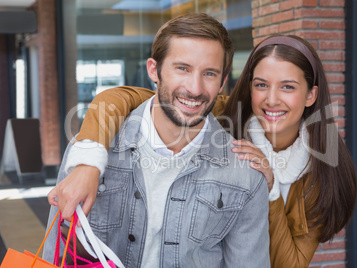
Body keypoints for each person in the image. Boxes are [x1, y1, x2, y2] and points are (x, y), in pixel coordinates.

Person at [49, 34, 357, 266]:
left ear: (310, 95)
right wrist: (88, 162)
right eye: (261, 85)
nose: (271, 100)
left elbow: (288, 263)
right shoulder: (223, 115)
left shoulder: (322, 170)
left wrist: (271, 190)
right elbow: (121, 99)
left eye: (288, 87)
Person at [44, 13, 270, 267]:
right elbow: (54, 253)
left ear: (222, 83)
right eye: (182, 68)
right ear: (154, 70)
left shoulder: (245, 175)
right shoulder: (87, 153)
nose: (195, 89)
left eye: (209, 73)